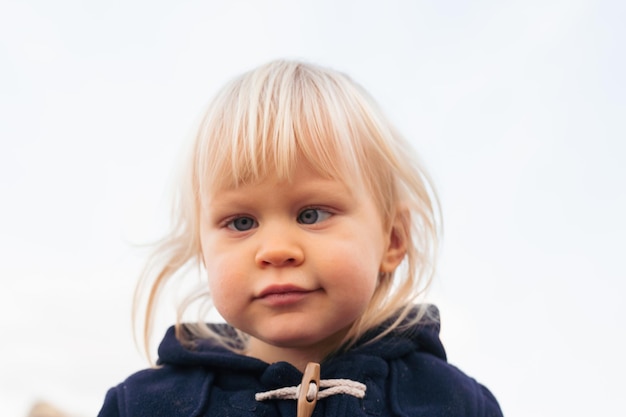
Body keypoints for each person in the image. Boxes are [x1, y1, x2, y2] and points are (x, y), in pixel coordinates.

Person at [97, 60, 503, 417]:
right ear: (203, 249)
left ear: (393, 239)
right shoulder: (143, 405)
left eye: (311, 215)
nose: (276, 250)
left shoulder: (454, 402)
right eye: (241, 223)